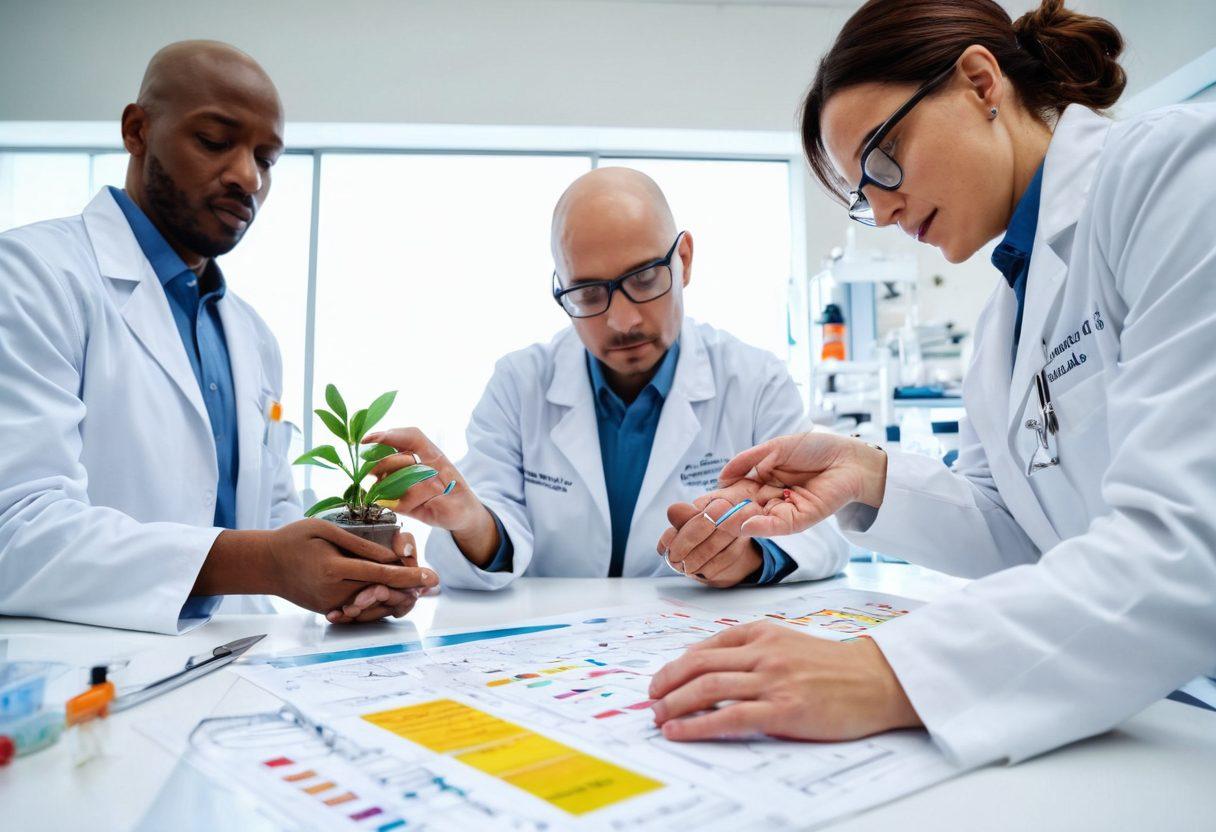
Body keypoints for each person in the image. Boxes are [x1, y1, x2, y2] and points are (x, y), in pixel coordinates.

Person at [649, 0, 1216, 769]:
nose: (881, 209)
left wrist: (886, 673)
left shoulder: (1170, 174)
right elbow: (1020, 537)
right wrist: (865, 474)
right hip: (1160, 706)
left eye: (883, 159)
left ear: (981, 83)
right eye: (861, 192)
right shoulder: (1002, 323)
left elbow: (1192, 544)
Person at [0, 41, 435, 634]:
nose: (248, 177)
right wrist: (266, 563)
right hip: (95, 667)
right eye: (214, 141)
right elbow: (17, 531)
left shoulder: (252, 336)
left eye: (267, 157)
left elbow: (273, 513)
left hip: (240, 658)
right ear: (137, 130)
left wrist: (358, 568)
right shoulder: (31, 276)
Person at [367, 167, 847, 588]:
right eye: (589, 292)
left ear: (683, 260)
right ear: (561, 287)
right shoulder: (520, 383)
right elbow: (494, 519)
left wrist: (746, 557)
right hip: (549, 653)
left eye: (642, 280)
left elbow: (822, 532)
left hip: (695, 642)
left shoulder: (755, 381)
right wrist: (470, 520)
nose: (622, 321)